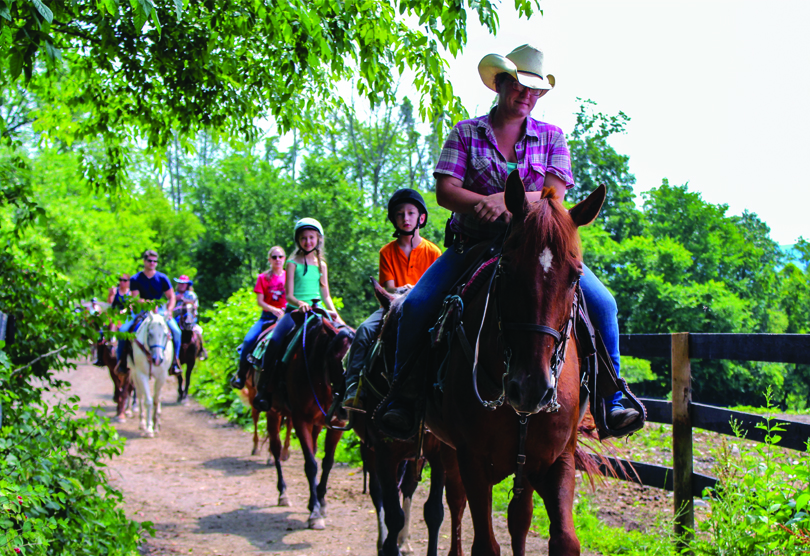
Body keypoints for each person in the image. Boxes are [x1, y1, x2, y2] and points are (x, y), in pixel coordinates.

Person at [380, 44, 641, 437]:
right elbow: (446, 191)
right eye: (519, 86)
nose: (527, 96)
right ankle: (404, 398)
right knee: (415, 305)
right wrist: (482, 202)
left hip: (537, 251)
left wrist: (508, 200)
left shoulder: (553, 137)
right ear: (499, 84)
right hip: (472, 247)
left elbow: (555, 194)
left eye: (535, 91)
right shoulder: (466, 132)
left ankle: (611, 398)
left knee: (603, 302)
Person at [343, 189, 441, 408]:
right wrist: (405, 290)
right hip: (392, 307)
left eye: (410, 213)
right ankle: (352, 386)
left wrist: (411, 289)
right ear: (393, 219)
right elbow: (389, 290)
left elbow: (437, 290)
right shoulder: (386, 252)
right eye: (399, 214)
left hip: (424, 310)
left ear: (421, 218)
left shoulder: (433, 252)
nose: (405, 218)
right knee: (364, 330)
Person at [252, 218, 343, 411]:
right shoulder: (292, 263)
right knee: (275, 341)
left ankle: (343, 393)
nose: (308, 241)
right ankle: (264, 389)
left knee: (343, 340)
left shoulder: (322, 265)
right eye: (303, 238)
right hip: (295, 313)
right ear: (298, 240)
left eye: (311, 237)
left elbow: (325, 294)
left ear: (318, 239)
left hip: (319, 312)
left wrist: (335, 313)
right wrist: (300, 303)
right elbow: (289, 294)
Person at [115, 250, 183, 375]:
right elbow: (135, 298)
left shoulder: (162, 278)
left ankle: (175, 362)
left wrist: (169, 310)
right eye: (150, 261)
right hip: (140, 310)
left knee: (177, 331)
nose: (152, 263)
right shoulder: (136, 278)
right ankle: (121, 362)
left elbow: (171, 297)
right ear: (144, 261)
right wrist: (149, 304)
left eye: (155, 261)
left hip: (160, 310)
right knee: (123, 330)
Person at [232, 246, 288, 389]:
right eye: (274, 257)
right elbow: (260, 301)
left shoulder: (289, 277)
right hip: (266, 317)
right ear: (269, 260)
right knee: (248, 340)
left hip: (285, 318)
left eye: (280, 256)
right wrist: (274, 309)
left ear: (285, 259)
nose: (277, 260)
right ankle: (241, 375)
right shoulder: (263, 278)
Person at [93, 273, 132, 366]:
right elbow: (110, 303)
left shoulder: (130, 293)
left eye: (125, 280)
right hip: (113, 316)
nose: (122, 282)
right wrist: (111, 294)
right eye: (120, 280)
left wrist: (123, 311)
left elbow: (131, 305)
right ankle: (100, 358)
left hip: (125, 316)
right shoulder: (115, 291)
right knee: (101, 333)